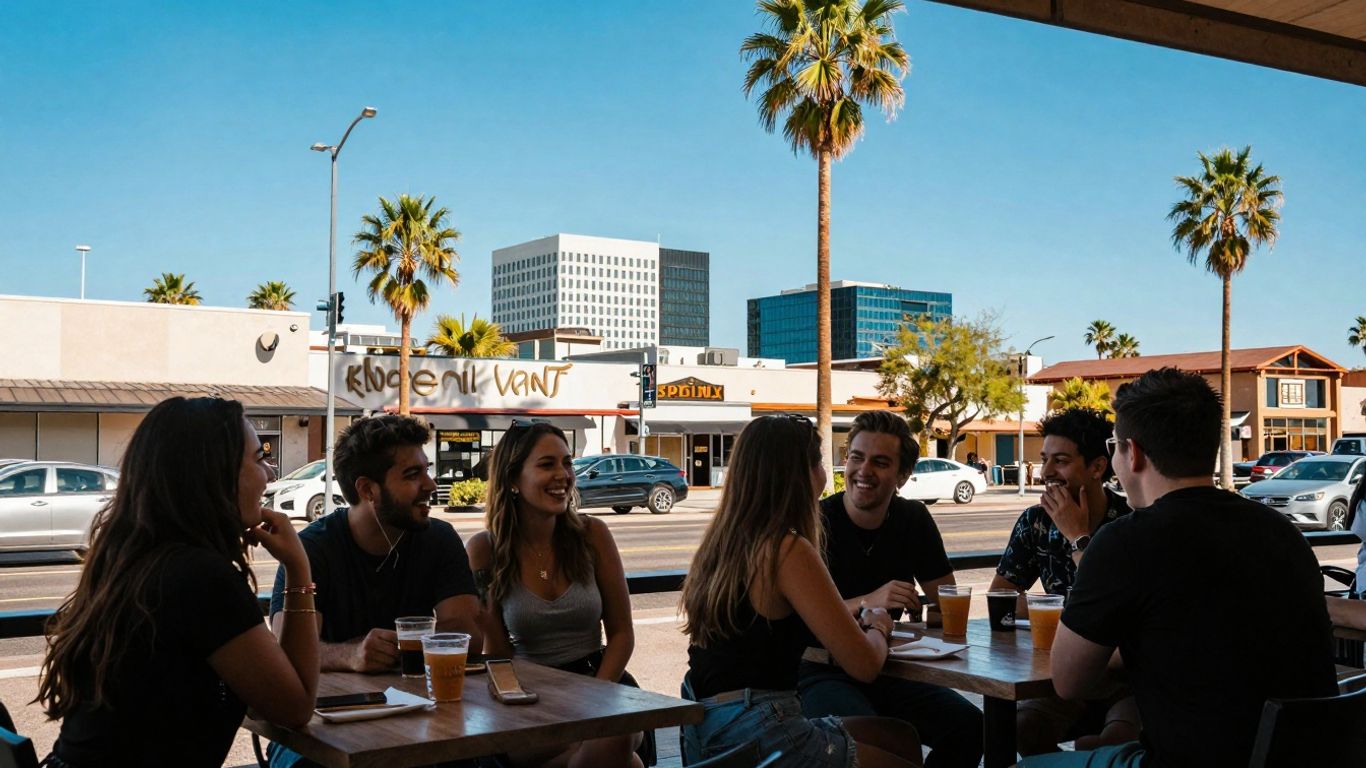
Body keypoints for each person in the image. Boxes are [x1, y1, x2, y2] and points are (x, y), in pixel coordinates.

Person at [1024, 368, 1339, 767]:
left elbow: (1068, 681)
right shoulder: (1282, 533)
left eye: (1114, 447)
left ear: (1132, 453)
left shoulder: (1126, 541)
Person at [38, 396, 319, 767]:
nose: (269, 474)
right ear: (213, 474)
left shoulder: (135, 561)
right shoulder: (199, 578)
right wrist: (299, 568)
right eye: (258, 459)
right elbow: (294, 707)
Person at [681, 414, 924, 768]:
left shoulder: (723, 541)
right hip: (759, 726)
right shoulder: (787, 549)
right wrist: (879, 625)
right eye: (821, 463)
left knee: (900, 737)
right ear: (801, 474)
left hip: (707, 724)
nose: (827, 476)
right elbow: (865, 664)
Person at [267, 414, 482, 768]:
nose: (430, 485)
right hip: (323, 724)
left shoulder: (439, 540)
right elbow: (286, 651)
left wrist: (412, 641)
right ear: (368, 489)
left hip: (422, 718)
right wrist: (349, 655)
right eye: (413, 475)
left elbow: (468, 637)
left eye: (426, 470)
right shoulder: (313, 548)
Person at [799, 410, 983, 768]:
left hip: (888, 669)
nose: (863, 471)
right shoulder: (815, 522)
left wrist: (923, 611)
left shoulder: (913, 519)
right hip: (820, 670)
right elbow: (796, 620)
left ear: (902, 476)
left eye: (880, 462)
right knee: (875, 735)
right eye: (856, 457)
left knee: (972, 727)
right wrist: (871, 601)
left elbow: (947, 602)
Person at [467, 421, 648, 768]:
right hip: (531, 696)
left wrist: (597, 695)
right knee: (628, 762)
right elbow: (499, 654)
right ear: (512, 480)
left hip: (601, 681)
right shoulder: (485, 550)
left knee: (614, 733)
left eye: (567, 463)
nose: (564, 475)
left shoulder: (593, 534)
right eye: (547, 464)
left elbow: (622, 634)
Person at [987, 408, 1138, 754]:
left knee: (1118, 743)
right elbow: (1001, 599)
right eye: (1044, 460)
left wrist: (1077, 537)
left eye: (1061, 461)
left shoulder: (1128, 525)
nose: (1046, 473)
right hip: (1061, 673)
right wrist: (1051, 613)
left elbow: (1122, 617)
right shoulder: (1036, 522)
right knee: (1018, 730)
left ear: (1098, 467)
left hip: (1123, 679)